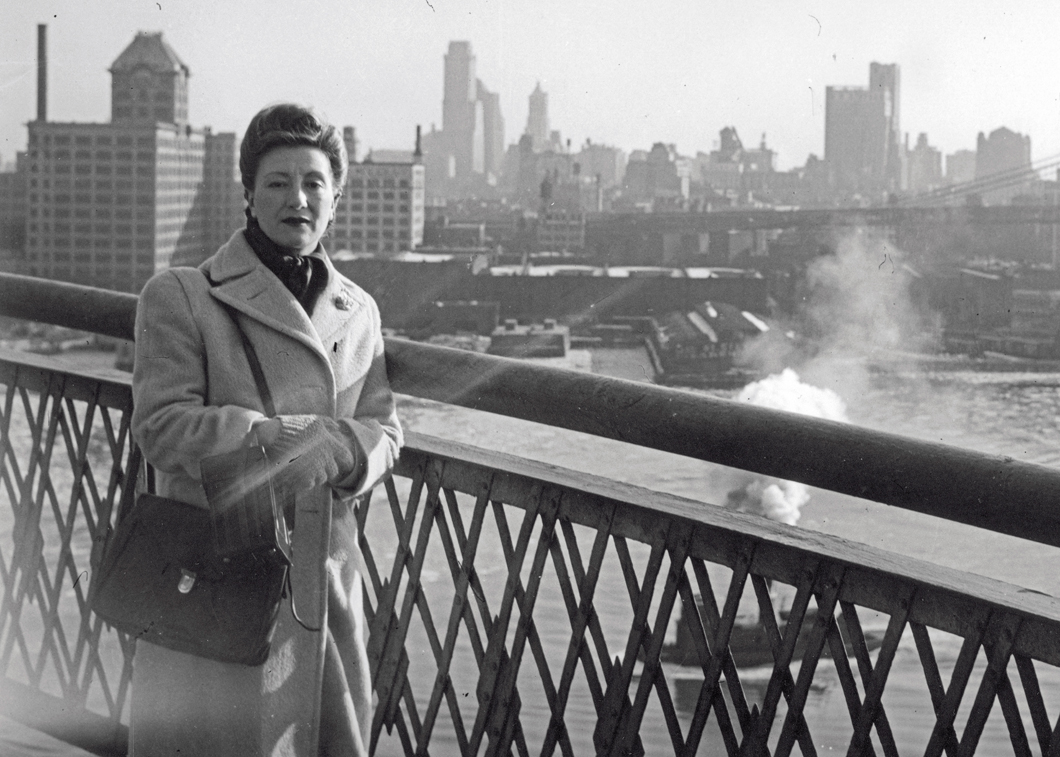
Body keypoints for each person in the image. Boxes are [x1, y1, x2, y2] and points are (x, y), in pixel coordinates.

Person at [130, 103, 402, 755]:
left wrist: (346, 448)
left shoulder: (357, 310)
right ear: (248, 194)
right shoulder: (183, 296)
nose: (297, 199)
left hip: (320, 580)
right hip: (218, 578)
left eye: (314, 183)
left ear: (335, 196)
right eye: (277, 182)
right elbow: (160, 428)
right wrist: (266, 435)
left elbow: (384, 428)